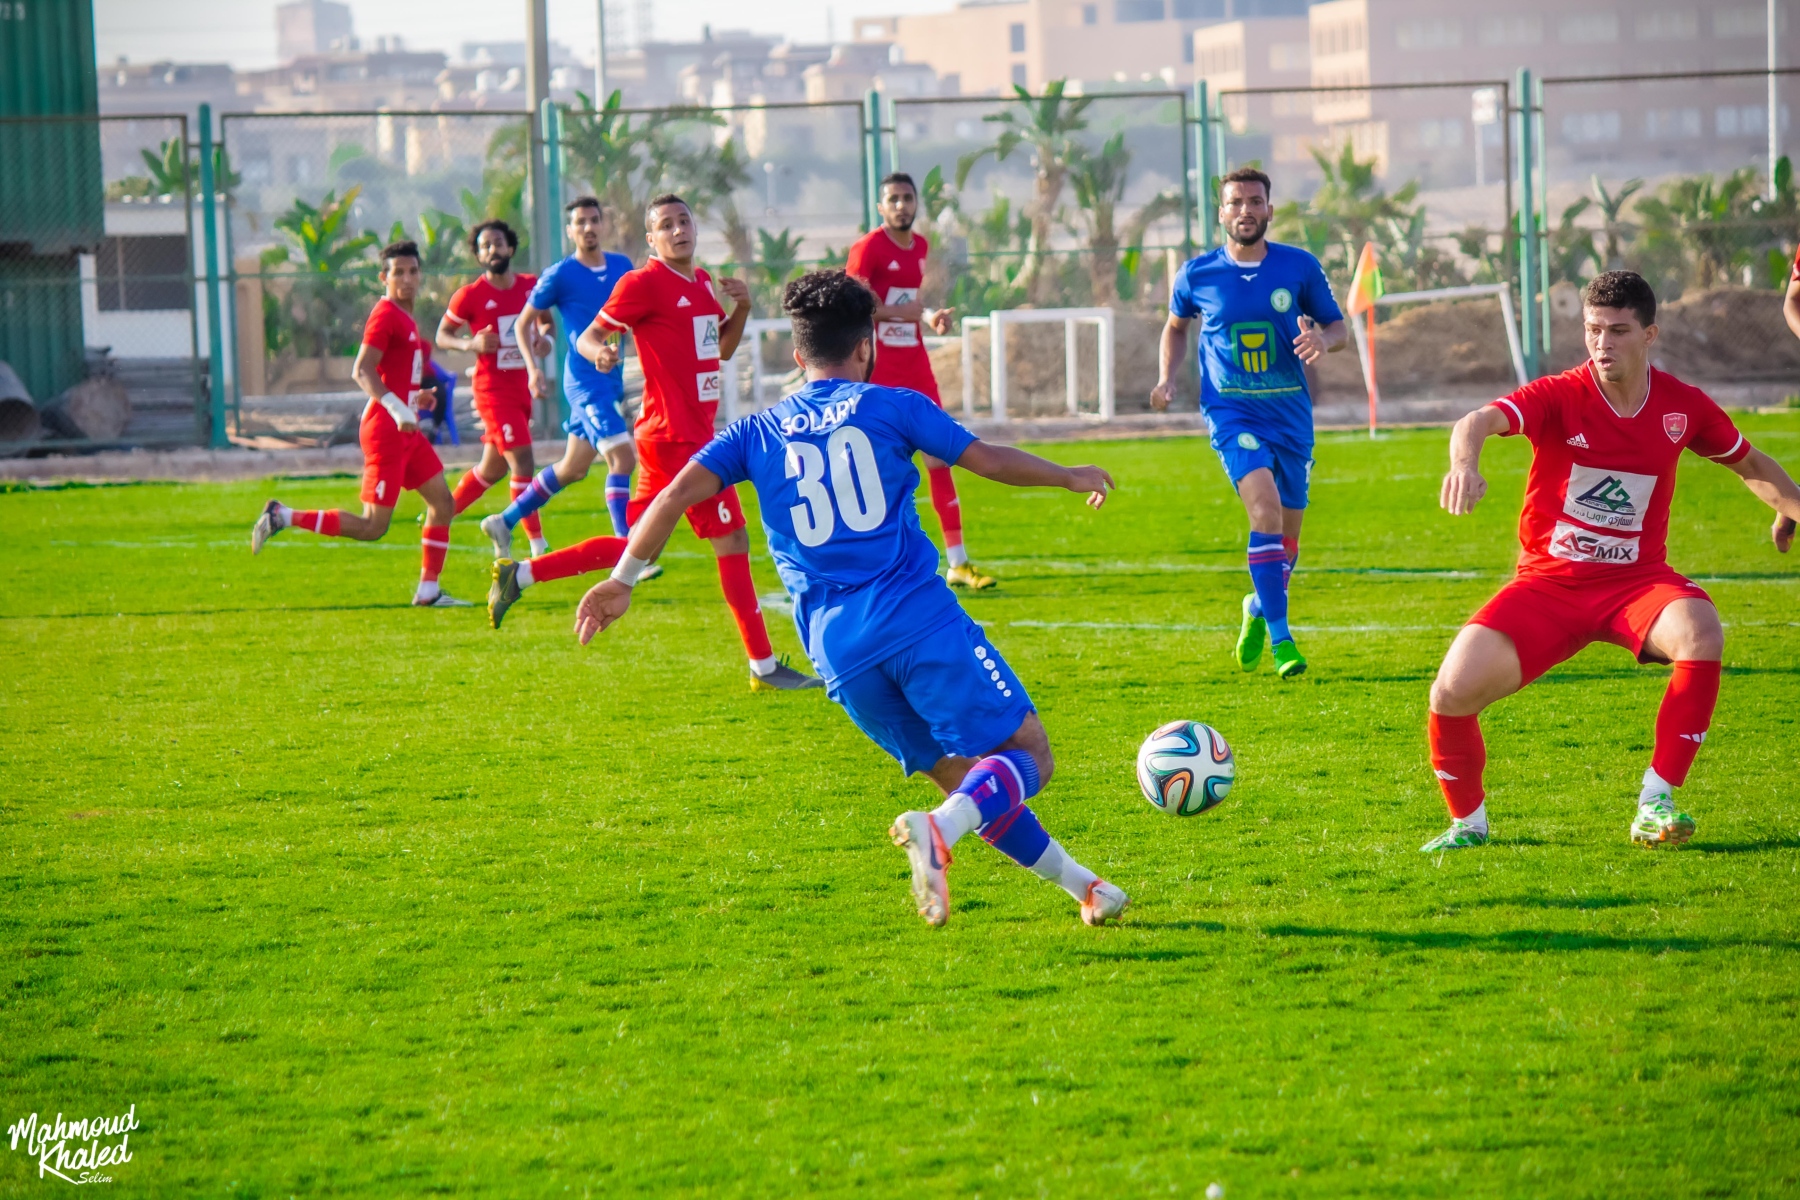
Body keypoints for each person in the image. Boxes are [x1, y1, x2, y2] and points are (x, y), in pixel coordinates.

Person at [569, 270, 1130, 927]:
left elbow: (670, 497)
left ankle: (1087, 889)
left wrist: (623, 579)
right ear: (866, 345)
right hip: (917, 621)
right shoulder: (895, 406)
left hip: (838, 654)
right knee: (1029, 754)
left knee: (966, 784)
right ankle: (939, 830)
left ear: (797, 355)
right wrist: (1067, 474)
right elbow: (987, 461)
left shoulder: (756, 432)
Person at [1424, 270, 1800, 852]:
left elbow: (1749, 463)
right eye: (1593, 329)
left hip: (1636, 585)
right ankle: (1468, 827)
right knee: (1450, 693)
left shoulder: (1682, 407)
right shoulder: (1559, 394)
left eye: (1618, 331)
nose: (1602, 343)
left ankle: (1656, 801)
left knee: (1701, 630)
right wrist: (1464, 465)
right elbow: (1476, 421)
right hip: (1549, 586)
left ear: (1649, 334)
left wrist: (1791, 506)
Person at [489, 194, 820, 691]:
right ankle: (763, 666)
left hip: (686, 434)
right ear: (651, 239)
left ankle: (520, 575)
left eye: (684, 220)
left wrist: (743, 307)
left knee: (636, 546)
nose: (678, 230)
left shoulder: (702, 281)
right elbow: (589, 336)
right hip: (675, 437)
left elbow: (721, 349)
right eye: (666, 225)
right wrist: (599, 353)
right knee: (731, 538)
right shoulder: (642, 283)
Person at [1151, 166, 1348, 679]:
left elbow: (1338, 326)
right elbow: (1175, 328)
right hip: (1231, 411)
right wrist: (1167, 378)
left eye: (1255, 201)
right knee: (1263, 510)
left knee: (1287, 544)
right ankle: (1283, 641)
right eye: (1235, 202)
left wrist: (1324, 340)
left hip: (1290, 414)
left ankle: (1259, 607)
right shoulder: (1197, 274)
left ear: (1269, 210)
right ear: (1221, 213)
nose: (1245, 210)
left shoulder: (1298, 266)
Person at [251, 241, 469, 607]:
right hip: (387, 430)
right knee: (373, 526)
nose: (407, 278)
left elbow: (392, 375)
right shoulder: (385, 314)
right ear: (383, 277)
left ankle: (429, 591)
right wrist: (397, 408)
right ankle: (282, 516)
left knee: (443, 503)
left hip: (406, 428)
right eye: (398, 272)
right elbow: (362, 370)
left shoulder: (405, 317)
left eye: (413, 271)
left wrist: (414, 398)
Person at [846, 172, 992, 590]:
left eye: (907, 198)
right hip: (877, 370)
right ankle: (869, 563)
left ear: (916, 204)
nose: (901, 205)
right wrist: (900, 314)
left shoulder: (921, 247)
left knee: (939, 456)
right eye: (892, 199)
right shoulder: (867, 248)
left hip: (916, 366)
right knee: (875, 464)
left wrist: (929, 317)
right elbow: (852, 304)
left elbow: (906, 302)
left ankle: (958, 562)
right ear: (880, 207)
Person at [480, 197, 644, 559]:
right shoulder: (560, 274)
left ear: (603, 224)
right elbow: (523, 324)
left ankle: (504, 521)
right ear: (570, 230)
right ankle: (627, 551)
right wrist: (534, 370)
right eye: (580, 222)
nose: (588, 227)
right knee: (622, 459)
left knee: (572, 468)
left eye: (594, 220)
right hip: (585, 383)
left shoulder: (622, 266)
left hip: (611, 379)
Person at [436, 220, 550, 557]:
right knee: (524, 461)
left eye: (498, 243)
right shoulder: (470, 295)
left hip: (522, 387)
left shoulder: (530, 286)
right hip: (492, 390)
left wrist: (545, 340)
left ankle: (442, 514)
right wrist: (470, 344)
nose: (492, 250)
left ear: (510, 248)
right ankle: (537, 543)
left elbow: (546, 321)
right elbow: (443, 335)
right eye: (485, 246)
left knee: (493, 468)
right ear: (478, 255)